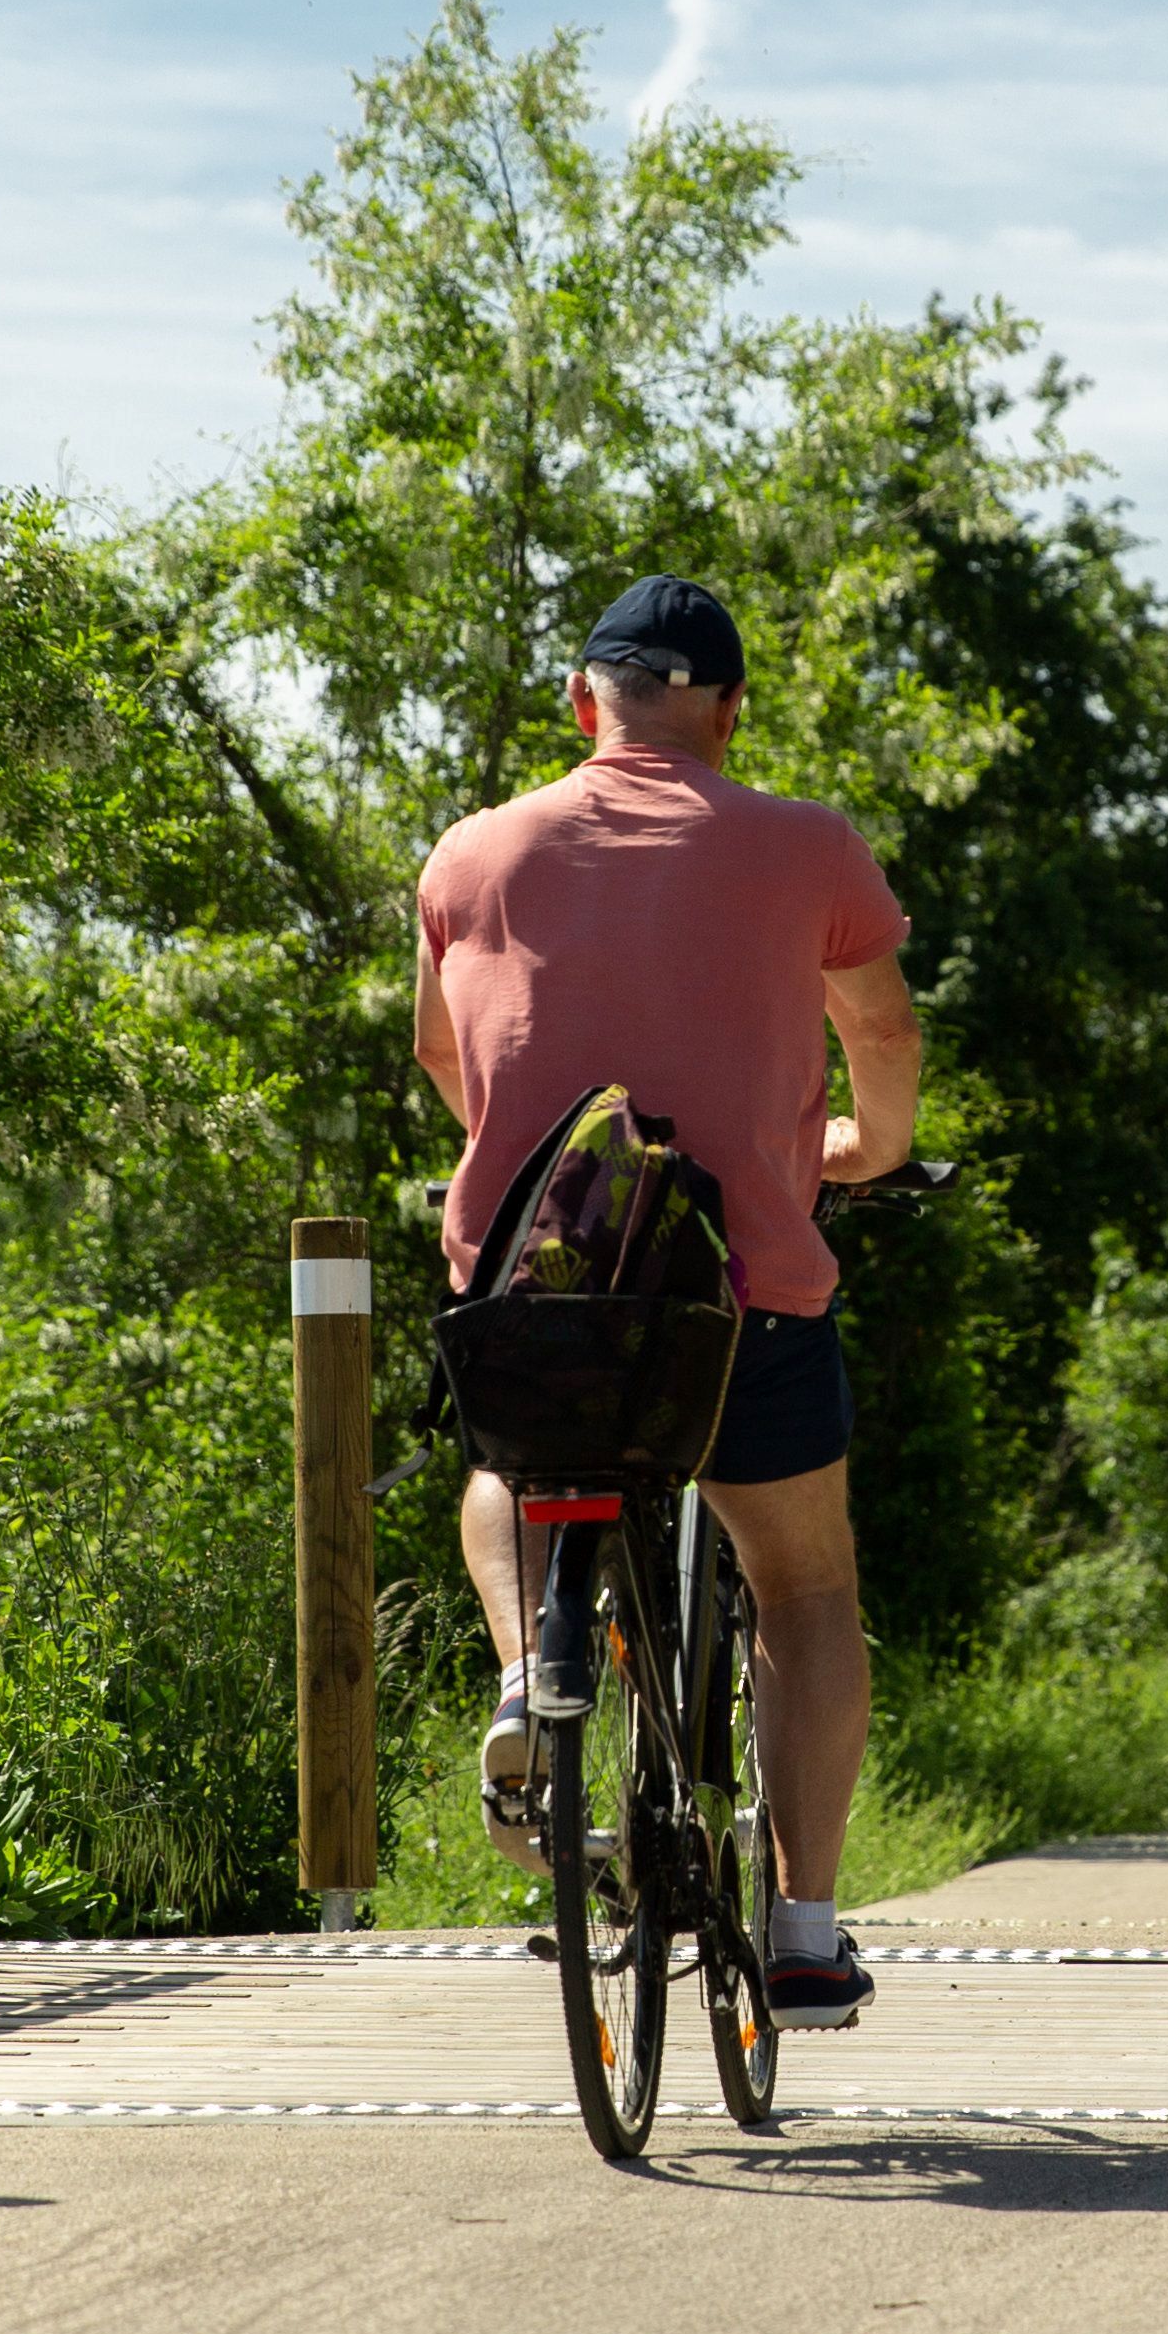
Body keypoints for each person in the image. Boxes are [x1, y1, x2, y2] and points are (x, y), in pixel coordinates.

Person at [412, 574, 920, 2026]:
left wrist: (554, 1171)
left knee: (510, 1465)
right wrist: (866, 1150)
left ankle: (531, 1674)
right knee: (806, 1587)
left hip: (542, 1295)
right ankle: (805, 1933)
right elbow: (882, 1033)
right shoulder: (808, 849)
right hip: (740, 1298)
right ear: (730, 712)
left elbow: (444, 1057)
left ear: (583, 702)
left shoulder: (471, 853)